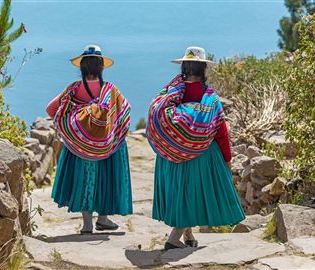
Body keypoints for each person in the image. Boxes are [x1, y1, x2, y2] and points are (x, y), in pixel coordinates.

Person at [147, 46, 245, 250]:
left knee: (182, 193)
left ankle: (189, 236)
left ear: (184, 67)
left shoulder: (171, 92)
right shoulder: (209, 97)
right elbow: (221, 131)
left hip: (172, 155)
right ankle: (174, 238)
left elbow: (157, 114)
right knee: (193, 194)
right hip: (202, 155)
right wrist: (227, 159)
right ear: (203, 70)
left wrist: (169, 145)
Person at [46, 45, 132, 234]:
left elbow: (50, 109)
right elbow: (125, 114)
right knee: (105, 178)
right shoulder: (110, 90)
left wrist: (74, 127)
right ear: (101, 68)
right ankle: (103, 218)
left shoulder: (73, 90)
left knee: (85, 179)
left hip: (79, 148)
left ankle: (87, 224)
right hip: (107, 148)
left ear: (82, 68)